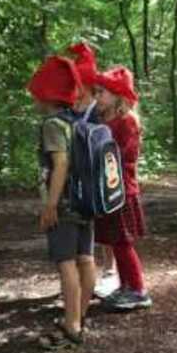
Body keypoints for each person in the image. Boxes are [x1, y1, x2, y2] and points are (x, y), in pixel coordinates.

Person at [28, 56, 96, 347]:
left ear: (47, 95)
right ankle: (79, 316)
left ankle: (71, 327)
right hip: (86, 202)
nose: (33, 99)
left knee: (66, 262)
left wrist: (51, 205)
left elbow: (61, 163)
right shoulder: (78, 120)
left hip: (65, 204)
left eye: (36, 93)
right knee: (86, 258)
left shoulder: (53, 125)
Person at [91, 66, 152, 311]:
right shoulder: (108, 121)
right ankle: (126, 285)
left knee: (123, 242)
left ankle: (138, 290)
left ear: (117, 96)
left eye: (101, 93)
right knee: (116, 242)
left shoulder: (126, 122)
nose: (97, 97)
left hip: (121, 192)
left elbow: (118, 154)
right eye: (96, 92)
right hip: (109, 191)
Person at [67, 42, 120, 299]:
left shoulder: (97, 112)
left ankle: (110, 269)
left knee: (105, 221)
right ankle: (83, 275)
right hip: (77, 174)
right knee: (86, 223)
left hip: (98, 174)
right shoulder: (72, 109)